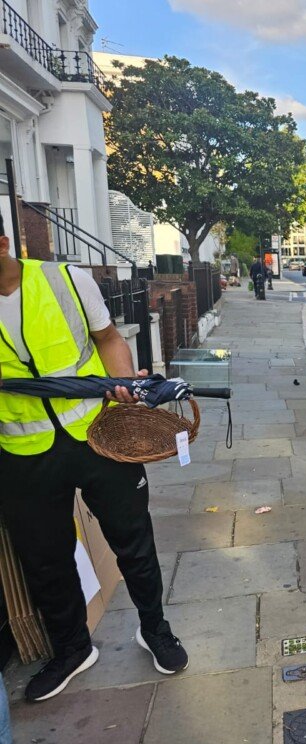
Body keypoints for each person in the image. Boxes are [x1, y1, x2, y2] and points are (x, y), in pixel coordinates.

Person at [0, 221, 188, 702]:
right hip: (22, 451)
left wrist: (124, 386)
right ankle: (72, 649)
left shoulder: (65, 280)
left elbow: (108, 339)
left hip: (96, 434)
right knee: (45, 559)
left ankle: (154, 629)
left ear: (3, 244)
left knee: (133, 539)